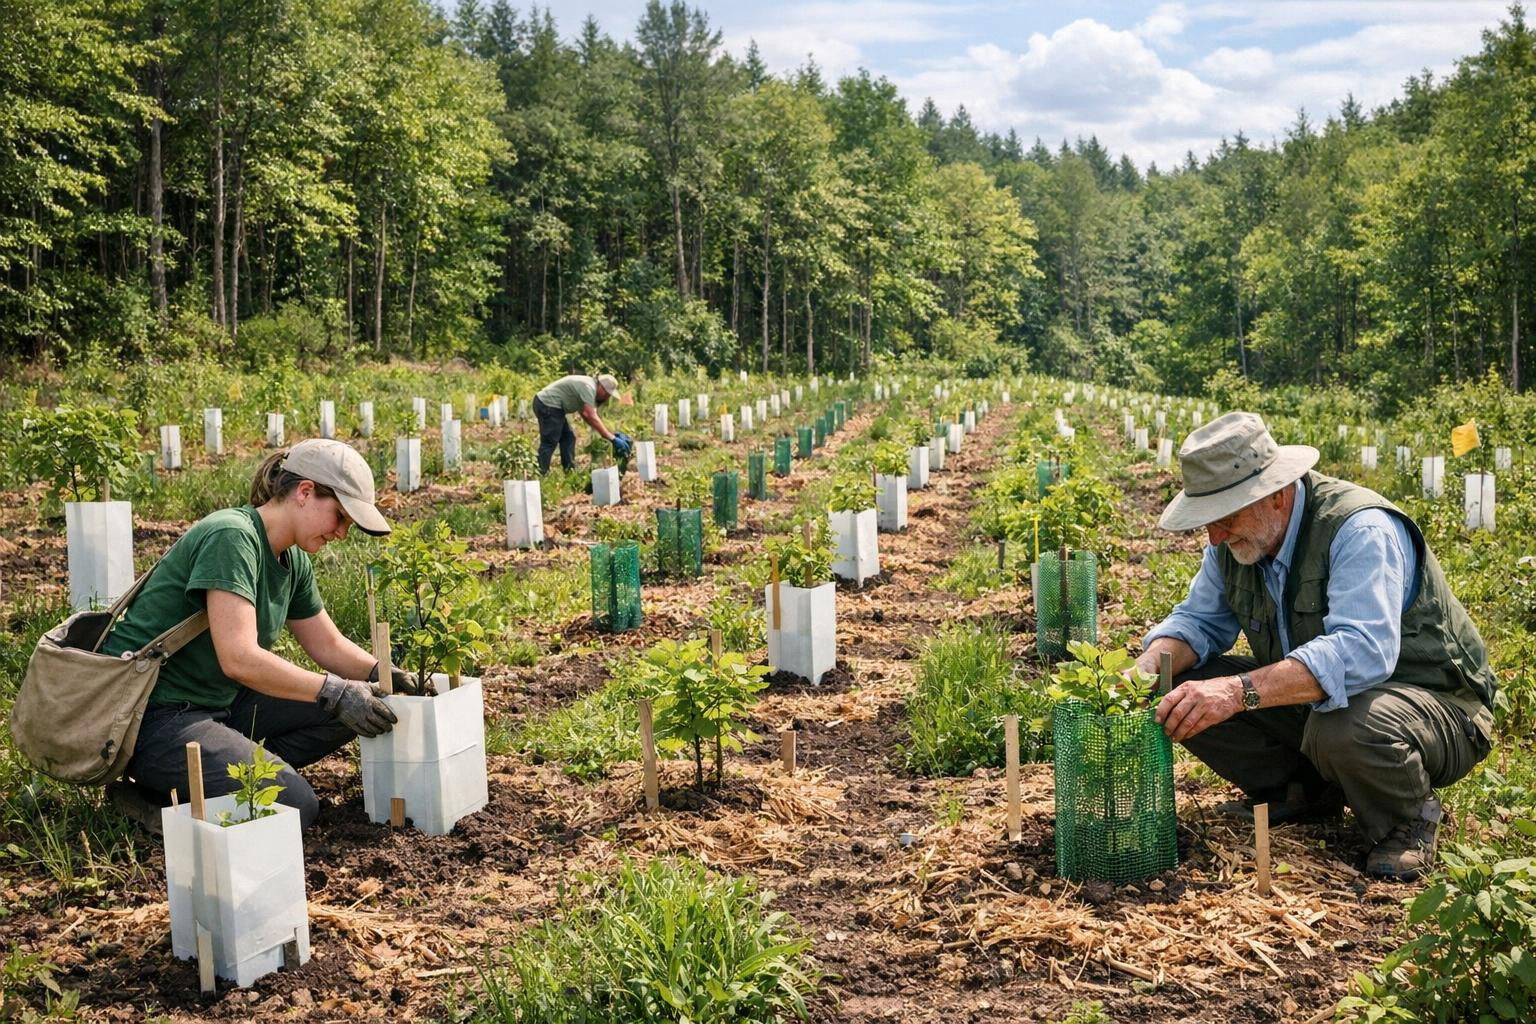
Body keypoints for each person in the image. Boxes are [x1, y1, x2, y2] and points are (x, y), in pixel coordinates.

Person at [1136, 411, 1495, 881]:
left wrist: (1235, 691)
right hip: (1324, 705)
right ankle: (1303, 792)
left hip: (1436, 706)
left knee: (1343, 724)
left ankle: (1407, 819)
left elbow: (1362, 650)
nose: (1214, 536)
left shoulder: (1359, 528)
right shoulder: (1237, 541)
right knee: (1178, 684)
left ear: (1277, 495)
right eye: (1207, 522)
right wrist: (1140, 671)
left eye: (1224, 517)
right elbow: (1198, 621)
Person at [103, 439, 410, 833]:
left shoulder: (292, 557)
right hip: (156, 717)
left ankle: (236, 774)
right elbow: (240, 658)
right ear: (304, 492)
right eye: (340, 517)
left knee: (366, 706)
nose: (342, 533)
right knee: (296, 806)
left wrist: (383, 674)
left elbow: (327, 644)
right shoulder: (232, 537)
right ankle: (157, 798)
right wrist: (335, 692)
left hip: (221, 703)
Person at [532, 372, 630, 474]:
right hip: (547, 405)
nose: (606, 398)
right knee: (550, 441)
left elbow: (584, 413)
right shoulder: (589, 388)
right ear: (601, 387)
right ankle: (541, 473)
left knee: (569, 438)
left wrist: (603, 433)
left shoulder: (589, 386)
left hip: (552, 407)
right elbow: (590, 414)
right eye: (607, 394)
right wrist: (611, 438)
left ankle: (569, 471)